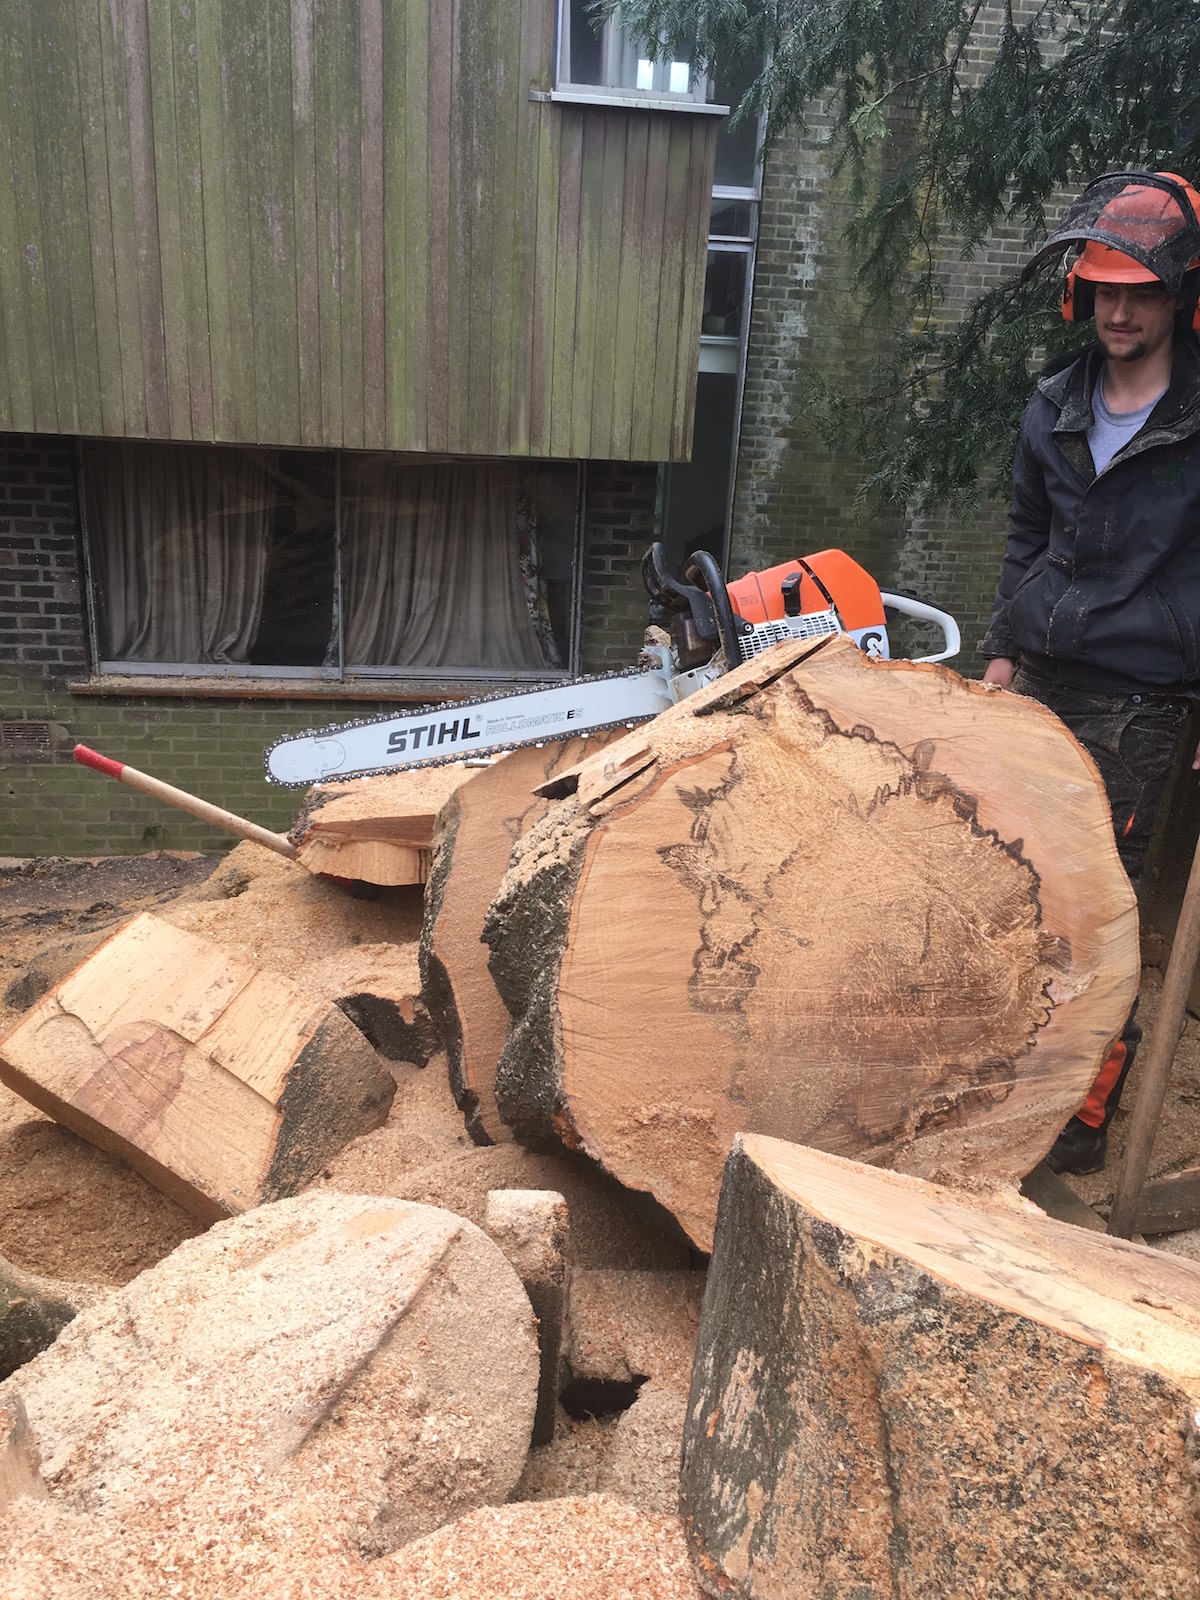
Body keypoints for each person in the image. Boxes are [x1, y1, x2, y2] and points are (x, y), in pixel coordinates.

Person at [981, 169, 1200, 1175]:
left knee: (1091, 907)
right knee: (1002, 880)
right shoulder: (1053, 403)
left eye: (1140, 291)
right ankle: (999, 1073)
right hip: (1042, 673)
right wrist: (1000, 652)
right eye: (1105, 288)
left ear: (1180, 294)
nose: (1119, 309)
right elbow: (1028, 534)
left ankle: (1084, 1106)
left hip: (1142, 697)